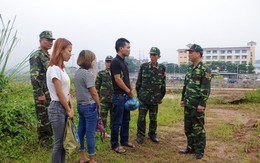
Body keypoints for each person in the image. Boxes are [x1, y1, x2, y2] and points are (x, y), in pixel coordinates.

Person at [179, 44, 211, 159]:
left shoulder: (205, 69)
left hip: (197, 104)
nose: (189, 54)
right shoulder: (189, 68)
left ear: (198, 53)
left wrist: (202, 104)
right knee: (188, 127)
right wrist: (183, 99)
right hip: (188, 103)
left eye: (191, 52)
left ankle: (199, 150)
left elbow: (206, 88)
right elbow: (186, 85)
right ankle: (190, 148)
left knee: (198, 128)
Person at [46, 38, 74, 163]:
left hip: (64, 106)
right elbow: (59, 92)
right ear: (61, 50)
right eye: (69, 51)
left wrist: (71, 108)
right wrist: (68, 109)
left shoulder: (62, 69)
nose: (70, 54)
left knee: (64, 142)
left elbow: (67, 92)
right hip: (57, 108)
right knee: (58, 143)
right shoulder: (54, 69)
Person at [74, 50, 101, 163]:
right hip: (90, 106)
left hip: (80, 106)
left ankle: (82, 157)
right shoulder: (87, 74)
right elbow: (93, 92)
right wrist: (98, 105)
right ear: (89, 60)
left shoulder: (77, 72)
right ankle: (92, 159)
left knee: (81, 131)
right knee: (90, 134)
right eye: (93, 59)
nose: (94, 62)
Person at [29, 30, 55, 147]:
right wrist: (40, 93)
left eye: (51, 40)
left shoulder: (48, 56)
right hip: (42, 92)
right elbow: (34, 77)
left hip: (50, 91)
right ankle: (44, 140)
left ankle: (50, 137)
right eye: (47, 40)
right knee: (42, 116)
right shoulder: (36, 55)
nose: (50, 42)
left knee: (49, 114)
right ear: (40, 41)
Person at [136, 47, 166, 144]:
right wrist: (139, 95)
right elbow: (139, 82)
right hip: (143, 98)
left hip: (155, 99)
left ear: (159, 56)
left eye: (154, 55)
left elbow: (163, 83)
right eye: (151, 54)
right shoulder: (144, 66)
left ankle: (152, 134)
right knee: (141, 118)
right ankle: (140, 135)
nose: (152, 56)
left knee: (153, 118)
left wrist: (161, 97)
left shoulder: (162, 68)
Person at [110, 38, 135, 154]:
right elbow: (117, 79)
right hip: (119, 96)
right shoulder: (115, 62)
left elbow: (126, 79)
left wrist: (131, 88)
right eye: (128, 47)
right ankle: (115, 144)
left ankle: (124, 140)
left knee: (126, 120)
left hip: (125, 95)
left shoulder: (124, 62)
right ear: (121, 48)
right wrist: (127, 90)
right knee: (117, 121)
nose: (129, 50)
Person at [95, 55, 114, 138]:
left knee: (114, 118)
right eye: (107, 62)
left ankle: (114, 132)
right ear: (105, 63)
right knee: (103, 118)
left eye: (110, 62)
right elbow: (96, 88)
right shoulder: (101, 74)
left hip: (114, 99)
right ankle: (103, 133)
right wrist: (97, 100)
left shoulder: (116, 74)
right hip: (103, 100)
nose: (109, 63)